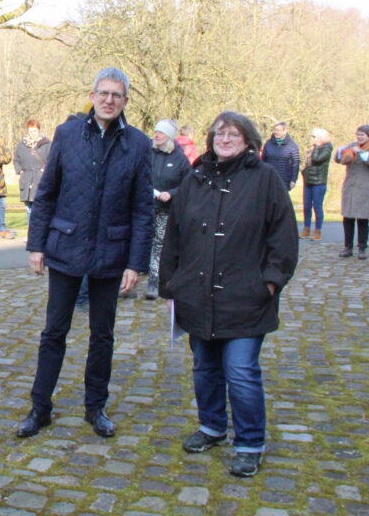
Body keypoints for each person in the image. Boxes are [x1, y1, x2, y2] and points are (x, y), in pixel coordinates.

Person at [159, 111, 298, 478]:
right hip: (197, 294)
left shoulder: (266, 179)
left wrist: (269, 283)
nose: (225, 138)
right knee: (205, 368)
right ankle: (212, 426)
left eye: (233, 133)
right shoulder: (196, 179)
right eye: (219, 133)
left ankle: (251, 442)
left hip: (247, 298)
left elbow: (283, 238)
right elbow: (174, 235)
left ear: (248, 140)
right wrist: (170, 283)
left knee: (240, 371)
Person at [17, 67, 153, 440]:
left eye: (117, 95)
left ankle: (96, 407)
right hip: (66, 246)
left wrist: (136, 263)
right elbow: (47, 193)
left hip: (112, 253)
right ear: (93, 96)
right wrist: (36, 244)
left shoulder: (138, 144)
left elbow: (143, 210)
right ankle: (40, 407)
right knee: (54, 332)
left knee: (102, 335)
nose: (109, 100)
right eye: (103, 93)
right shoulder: (67, 134)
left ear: (125, 101)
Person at [145, 119, 191, 300]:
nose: (156, 135)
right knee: (140, 240)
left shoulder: (181, 160)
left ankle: (154, 281)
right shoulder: (147, 153)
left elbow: (188, 186)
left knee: (159, 245)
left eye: (161, 132)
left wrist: (171, 194)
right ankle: (129, 280)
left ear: (170, 137)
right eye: (156, 131)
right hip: (144, 207)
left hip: (166, 209)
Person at [335, 125, 369, 259]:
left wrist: (362, 154)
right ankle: (347, 247)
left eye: (362, 135)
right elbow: (340, 160)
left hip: (367, 187)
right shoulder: (352, 145)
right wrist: (340, 153)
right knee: (348, 217)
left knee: (362, 219)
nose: (359, 137)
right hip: (351, 186)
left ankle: (362, 247)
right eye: (358, 135)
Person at [13, 118, 51, 222]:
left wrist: (45, 170)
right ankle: (31, 233)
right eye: (31, 131)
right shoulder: (22, 145)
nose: (33, 133)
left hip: (41, 179)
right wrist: (19, 170)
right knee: (29, 209)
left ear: (39, 130)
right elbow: (16, 159)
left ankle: (40, 233)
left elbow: (52, 160)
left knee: (40, 208)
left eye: (35, 131)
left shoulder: (47, 144)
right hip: (26, 180)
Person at [299, 128, 333, 240]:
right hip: (308, 180)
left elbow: (317, 159)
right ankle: (306, 228)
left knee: (317, 206)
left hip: (319, 182)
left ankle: (318, 230)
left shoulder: (326, 149)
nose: (311, 139)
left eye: (314, 137)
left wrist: (317, 147)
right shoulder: (312, 148)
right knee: (306, 205)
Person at [261, 122, 300, 192]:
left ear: (284, 131)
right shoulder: (268, 143)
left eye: (279, 130)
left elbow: (295, 163)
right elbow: (263, 160)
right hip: (270, 177)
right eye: (275, 130)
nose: (276, 132)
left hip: (285, 179)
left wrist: (293, 179)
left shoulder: (292, 145)